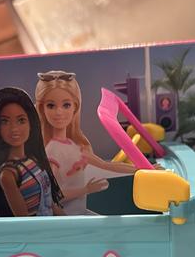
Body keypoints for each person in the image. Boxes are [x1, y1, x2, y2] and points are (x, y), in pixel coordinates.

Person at [35, 70, 139, 215]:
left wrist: (140, 169)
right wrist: (86, 190)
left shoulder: (75, 146)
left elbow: (106, 165)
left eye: (66, 105)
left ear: (75, 107)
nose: (59, 112)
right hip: (68, 218)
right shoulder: (52, 151)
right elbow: (54, 197)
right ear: (42, 109)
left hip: (80, 213)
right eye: (51, 106)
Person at [0, 87, 65, 217]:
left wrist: (70, 222)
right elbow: (24, 221)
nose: (14, 128)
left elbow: (51, 205)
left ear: (31, 123)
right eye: (5, 122)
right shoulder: (8, 174)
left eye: (21, 120)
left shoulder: (34, 160)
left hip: (51, 224)